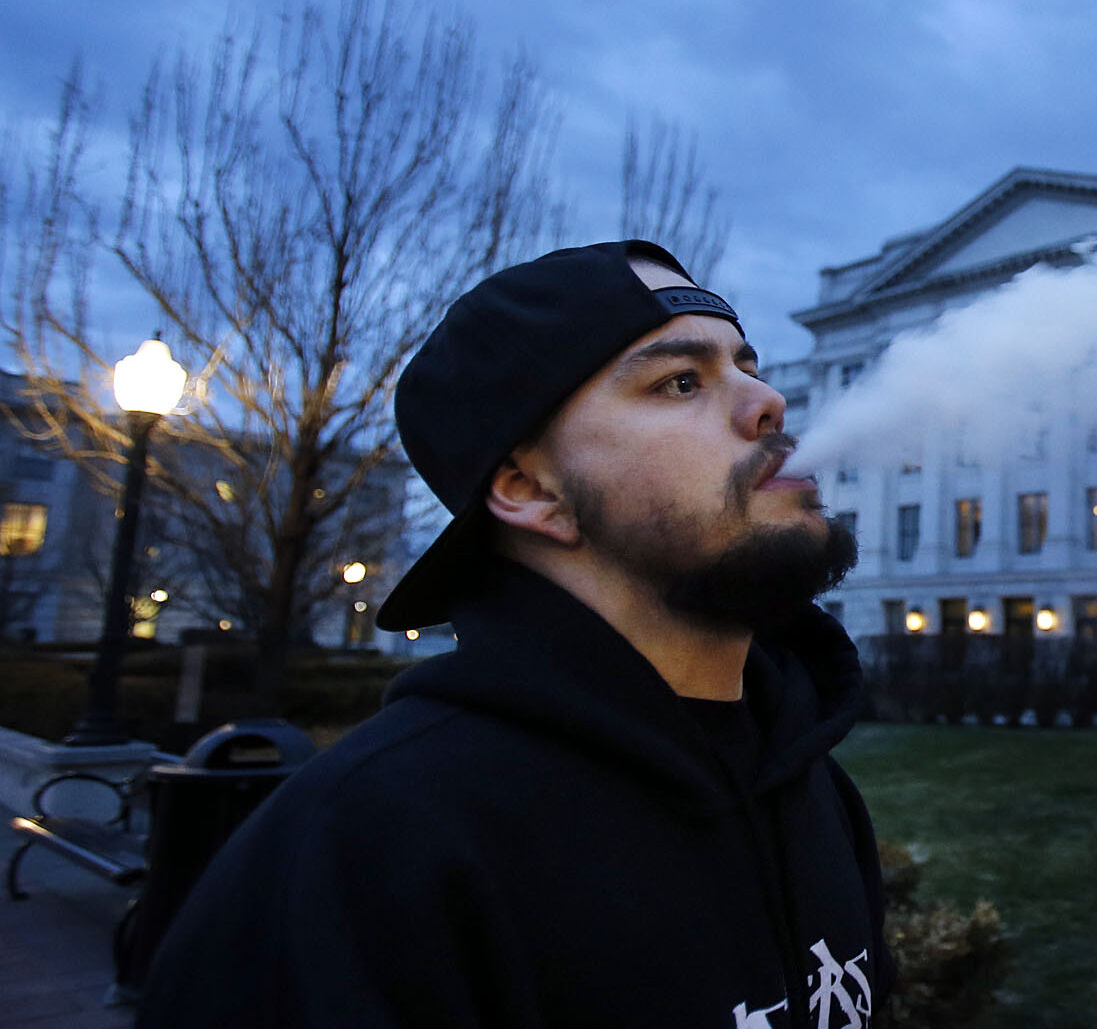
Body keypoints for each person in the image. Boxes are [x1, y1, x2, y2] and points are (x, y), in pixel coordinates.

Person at [139, 240, 892, 1029]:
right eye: (679, 382)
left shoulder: (812, 785)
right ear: (531, 490)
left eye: (747, 365)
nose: (767, 401)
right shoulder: (363, 857)